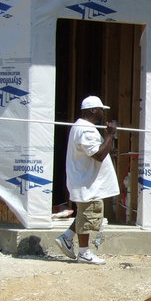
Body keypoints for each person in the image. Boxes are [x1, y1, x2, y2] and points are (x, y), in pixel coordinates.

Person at [55, 96, 119, 265]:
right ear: (92, 110)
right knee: (89, 216)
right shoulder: (86, 130)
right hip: (87, 182)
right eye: (100, 109)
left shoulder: (81, 126)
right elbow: (98, 155)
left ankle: (67, 237)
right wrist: (110, 135)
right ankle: (84, 252)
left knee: (85, 214)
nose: (103, 113)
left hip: (85, 180)